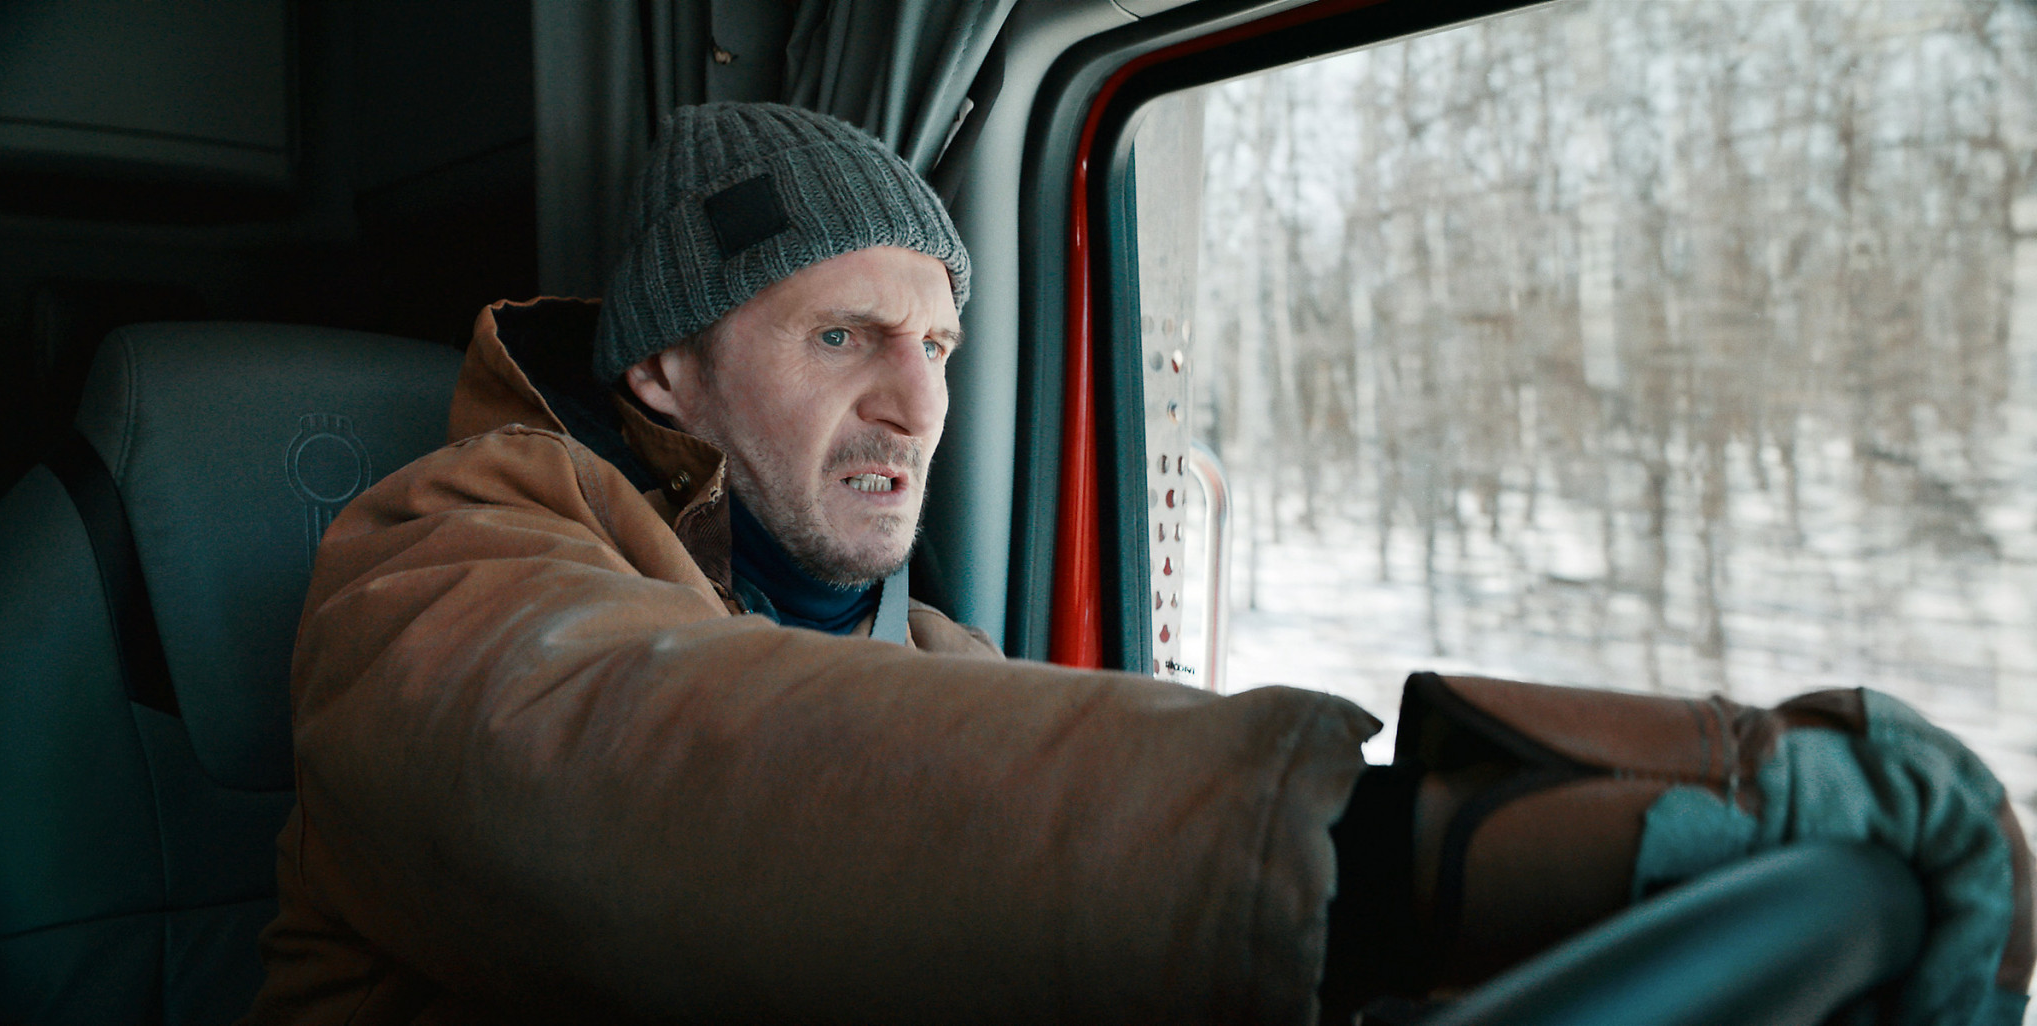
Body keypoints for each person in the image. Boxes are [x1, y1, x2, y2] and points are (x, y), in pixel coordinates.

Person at [241, 102, 2032, 1025]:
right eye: (843, 335)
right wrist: (1398, 847)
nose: (918, 402)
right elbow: (663, 771)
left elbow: (1031, 816)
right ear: (663, 370)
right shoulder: (436, 565)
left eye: (940, 344)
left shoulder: (934, 661)